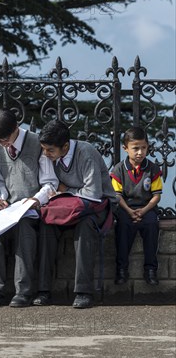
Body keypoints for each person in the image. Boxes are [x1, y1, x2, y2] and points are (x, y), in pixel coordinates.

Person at [35, 119, 116, 309]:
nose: (45, 154)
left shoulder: (86, 153)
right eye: (44, 149)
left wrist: (67, 190)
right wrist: (67, 191)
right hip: (71, 206)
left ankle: (83, 292)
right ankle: (43, 290)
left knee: (86, 226)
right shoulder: (51, 158)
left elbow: (93, 194)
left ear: (65, 146)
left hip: (97, 207)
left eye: (50, 150)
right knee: (47, 224)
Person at [0, 109, 58, 308]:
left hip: (31, 209)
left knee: (24, 231)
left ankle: (23, 291)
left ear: (16, 128)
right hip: (8, 209)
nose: (4, 144)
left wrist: (35, 199)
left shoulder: (37, 143)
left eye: (6, 139)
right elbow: (0, 180)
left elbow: (50, 183)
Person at [110, 127, 162, 285]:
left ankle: (151, 269)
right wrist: (130, 211)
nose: (140, 152)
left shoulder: (153, 169)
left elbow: (156, 196)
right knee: (123, 227)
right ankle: (121, 269)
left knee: (152, 225)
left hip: (147, 208)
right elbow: (117, 196)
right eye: (135, 148)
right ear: (126, 149)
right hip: (126, 208)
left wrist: (144, 210)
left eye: (143, 148)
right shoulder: (119, 169)